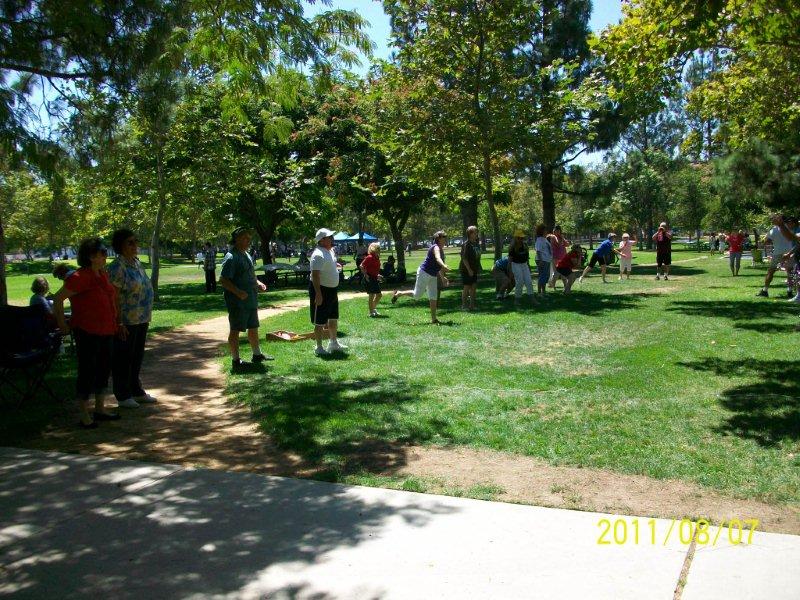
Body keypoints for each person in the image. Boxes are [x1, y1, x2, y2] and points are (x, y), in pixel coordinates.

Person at [52, 238, 120, 429]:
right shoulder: (80, 277)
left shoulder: (102, 274)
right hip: (87, 331)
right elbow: (58, 299)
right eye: (103, 252)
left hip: (106, 330)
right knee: (87, 370)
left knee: (103, 369)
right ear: (91, 256)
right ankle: (84, 413)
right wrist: (62, 324)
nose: (106, 255)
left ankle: (100, 408)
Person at [107, 228, 157, 409]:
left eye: (136, 241)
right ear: (120, 245)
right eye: (130, 242)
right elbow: (113, 296)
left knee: (136, 356)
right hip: (126, 320)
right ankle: (122, 394)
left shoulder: (135, 262)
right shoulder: (116, 267)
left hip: (141, 318)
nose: (135, 245)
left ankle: (136, 390)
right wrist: (118, 322)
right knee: (123, 358)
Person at [219, 226, 271, 371]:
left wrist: (258, 283)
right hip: (238, 302)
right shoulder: (231, 257)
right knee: (235, 329)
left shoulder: (246, 254)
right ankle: (236, 360)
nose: (248, 240)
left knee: (253, 327)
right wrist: (238, 292)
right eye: (245, 238)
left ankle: (257, 354)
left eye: (249, 238)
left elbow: (250, 274)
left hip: (251, 299)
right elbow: (223, 280)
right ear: (236, 240)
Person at [392, 231, 450, 324]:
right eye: (444, 237)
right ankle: (399, 293)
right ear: (438, 239)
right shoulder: (435, 248)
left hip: (433, 275)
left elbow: (437, 266)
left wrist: (443, 278)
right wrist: (443, 265)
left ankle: (434, 319)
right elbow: (438, 259)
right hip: (424, 273)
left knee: (433, 297)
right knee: (417, 295)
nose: (445, 239)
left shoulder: (440, 249)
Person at [310, 228, 348, 355]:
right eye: (329, 237)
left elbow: (328, 266)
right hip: (322, 290)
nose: (332, 238)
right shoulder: (318, 255)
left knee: (333, 317)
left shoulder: (329, 251)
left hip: (332, 290)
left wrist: (335, 267)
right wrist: (318, 294)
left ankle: (333, 343)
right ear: (321, 240)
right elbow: (315, 276)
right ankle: (319, 347)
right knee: (320, 320)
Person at [757, 215, 798, 298]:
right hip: (789, 251)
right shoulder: (790, 227)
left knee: (771, 271)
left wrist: (763, 241)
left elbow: (766, 242)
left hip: (777, 252)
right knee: (790, 272)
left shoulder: (773, 230)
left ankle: (765, 290)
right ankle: (789, 291)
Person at [508, 230, 533, 304]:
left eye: (522, 238)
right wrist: (510, 270)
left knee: (529, 281)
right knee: (520, 282)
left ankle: (532, 299)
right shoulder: (512, 247)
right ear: (515, 238)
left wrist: (529, 266)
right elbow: (510, 260)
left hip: (524, 265)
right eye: (519, 238)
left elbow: (527, 258)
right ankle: (517, 299)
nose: (521, 239)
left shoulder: (525, 245)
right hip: (516, 265)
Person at [360, 242, 383, 317]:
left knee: (379, 295)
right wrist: (366, 275)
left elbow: (374, 268)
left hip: (374, 278)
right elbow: (361, 266)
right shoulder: (370, 257)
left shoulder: (377, 257)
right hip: (369, 278)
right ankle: (371, 312)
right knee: (372, 295)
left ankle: (373, 309)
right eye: (378, 248)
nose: (379, 250)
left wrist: (377, 275)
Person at [460, 225, 480, 310]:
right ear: (470, 234)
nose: (477, 234)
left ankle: (472, 305)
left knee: (474, 287)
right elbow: (464, 259)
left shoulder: (476, 244)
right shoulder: (466, 244)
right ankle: (464, 305)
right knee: (467, 287)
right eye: (475, 232)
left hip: (474, 269)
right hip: (466, 269)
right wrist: (469, 270)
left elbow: (477, 256)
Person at [534, 224, 552, 296]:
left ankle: (543, 292)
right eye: (545, 230)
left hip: (546, 260)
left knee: (545, 276)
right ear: (542, 231)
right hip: (542, 260)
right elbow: (538, 251)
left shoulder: (544, 239)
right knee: (542, 276)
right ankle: (539, 293)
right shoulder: (540, 240)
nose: (546, 231)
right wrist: (541, 261)